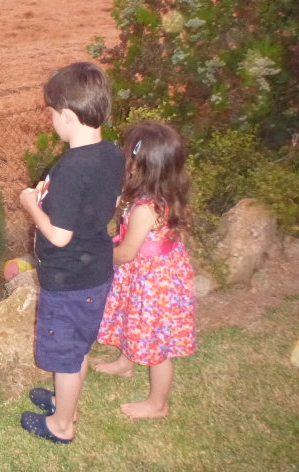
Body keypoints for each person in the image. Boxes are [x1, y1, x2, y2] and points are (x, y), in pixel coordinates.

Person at [19, 62, 125, 444]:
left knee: (66, 352)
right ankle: (68, 403)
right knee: (78, 344)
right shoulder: (111, 154)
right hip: (95, 269)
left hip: (67, 279)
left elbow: (60, 235)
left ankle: (61, 425)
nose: (50, 118)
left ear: (66, 116)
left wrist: (32, 204)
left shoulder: (70, 169)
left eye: (51, 112)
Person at [93, 120, 196, 419]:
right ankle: (126, 362)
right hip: (158, 275)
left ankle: (157, 403)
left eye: (129, 157)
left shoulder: (145, 209)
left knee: (156, 345)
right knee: (133, 320)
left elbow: (125, 254)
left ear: (139, 165)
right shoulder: (168, 194)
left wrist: (96, 256)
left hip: (151, 284)